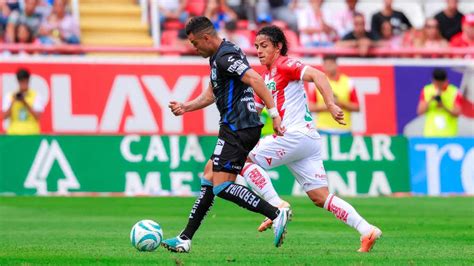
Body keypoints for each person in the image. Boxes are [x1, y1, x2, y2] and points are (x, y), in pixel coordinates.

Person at [163, 16, 291, 252]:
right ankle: (185, 238)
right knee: (209, 177)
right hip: (235, 126)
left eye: (194, 43)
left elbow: (254, 78)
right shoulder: (220, 56)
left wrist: (274, 114)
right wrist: (186, 107)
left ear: (206, 37)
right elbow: (212, 93)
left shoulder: (224, 57)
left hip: (238, 126)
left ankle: (275, 212)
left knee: (221, 187)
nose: (194, 48)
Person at [310, 54, 360, 135]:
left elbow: (357, 107)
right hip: (323, 129)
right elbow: (311, 107)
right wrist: (330, 105)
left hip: (344, 130)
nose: (328, 67)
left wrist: (340, 103)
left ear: (336, 65)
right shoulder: (318, 82)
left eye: (330, 64)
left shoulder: (348, 82)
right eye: (325, 64)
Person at [417, 68, 462, 137]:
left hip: (449, 135)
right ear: (433, 81)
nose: (439, 86)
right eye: (437, 83)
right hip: (430, 135)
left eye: (441, 84)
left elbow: (457, 113)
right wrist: (430, 99)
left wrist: (444, 106)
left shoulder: (454, 92)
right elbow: (420, 111)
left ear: (446, 81)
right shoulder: (427, 90)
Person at [2, 68, 44, 135]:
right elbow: (4, 117)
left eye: (25, 81)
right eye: (21, 82)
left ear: (28, 81)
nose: (23, 84)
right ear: (18, 81)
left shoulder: (36, 96)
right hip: (14, 134)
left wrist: (25, 102)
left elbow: (38, 116)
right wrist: (13, 102)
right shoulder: (10, 96)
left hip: (32, 134)